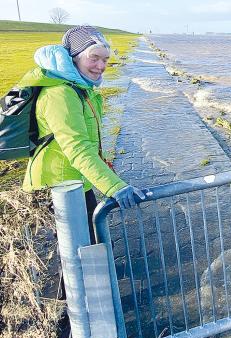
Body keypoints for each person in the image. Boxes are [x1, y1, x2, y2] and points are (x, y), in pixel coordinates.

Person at [18, 25, 144, 243]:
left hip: (76, 182)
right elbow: (78, 148)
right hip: (59, 187)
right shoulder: (61, 93)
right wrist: (116, 187)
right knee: (78, 258)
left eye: (105, 59)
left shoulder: (79, 87)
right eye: (94, 58)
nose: (101, 66)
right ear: (74, 57)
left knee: (87, 250)